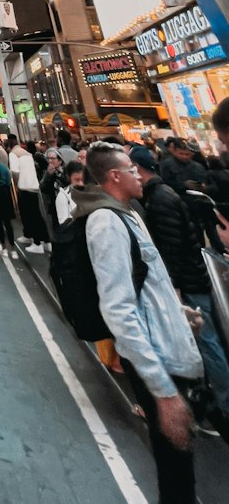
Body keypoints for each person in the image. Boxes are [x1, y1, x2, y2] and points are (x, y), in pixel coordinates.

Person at [81, 142, 204, 503]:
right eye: (131, 169)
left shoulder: (129, 214)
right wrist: (163, 391)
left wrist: (177, 313)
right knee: (176, 472)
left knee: (179, 465)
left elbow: (146, 285)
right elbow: (118, 308)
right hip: (155, 357)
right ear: (114, 176)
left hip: (166, 346)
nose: (140, 174)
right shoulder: (106, 222)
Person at [131, 144, 229, 433]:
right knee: (203, 343)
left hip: (187, 283)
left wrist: (173, 287)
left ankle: (221, 407)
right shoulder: (163, 193)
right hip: (192, 278)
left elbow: (170, 248)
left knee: (207, 345)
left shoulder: (160, 199)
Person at [12, 140, 48, 253]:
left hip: (25, 189)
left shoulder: (13, 154)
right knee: (38, 215)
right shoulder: (28, 155)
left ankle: (36, 242)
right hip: (35, 188)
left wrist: (17, 184)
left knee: (30, 215)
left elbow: (14, 171)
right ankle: (46, 242)